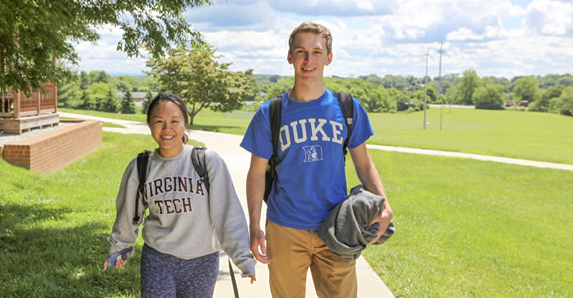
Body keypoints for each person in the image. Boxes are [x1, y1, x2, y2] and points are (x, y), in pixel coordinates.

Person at [240, 22, 393, 297]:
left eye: (317, 52)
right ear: (290, 57)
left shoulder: (347, 108)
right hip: (285, 226)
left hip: (337, 227)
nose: (308, 60)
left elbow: (364, 164)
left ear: (328, 58)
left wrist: (384, 204)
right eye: (301, 51)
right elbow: (255, 174)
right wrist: (254, 227)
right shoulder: (270, 113)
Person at [103, 93, 256, 297]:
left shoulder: (207, 161)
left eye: (174, 121)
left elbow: (227, 212)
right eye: (159, 122)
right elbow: (128, 214)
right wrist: (119, 249)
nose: (167, 129)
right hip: (158, 259)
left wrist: (242, 258)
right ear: (149, 125)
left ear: (185, 123)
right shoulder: (141, 166)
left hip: (202, 261)